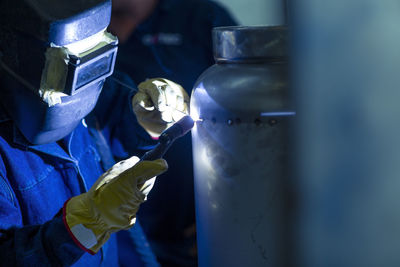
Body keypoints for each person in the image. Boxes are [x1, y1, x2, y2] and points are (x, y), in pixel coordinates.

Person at [0, 0, 189, 266]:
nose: (84, 84)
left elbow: (116, 109)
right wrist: (83, 225)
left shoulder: (93, 86)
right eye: (74, 65)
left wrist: (150, 118)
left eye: (98, 55)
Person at [108, 0, 237, 266]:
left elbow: (253, 123)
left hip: (193, 233)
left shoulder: (202, 19)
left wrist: (233, 218)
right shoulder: (76, 25)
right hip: (111, 233)